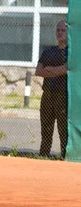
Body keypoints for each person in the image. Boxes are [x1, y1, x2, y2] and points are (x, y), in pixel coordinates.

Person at [35, 20, 68, 158]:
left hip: (63, 95)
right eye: (58, 30)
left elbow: (66, 69)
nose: (59, 33)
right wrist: (55, 71)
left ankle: (65, 156)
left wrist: (49, 69)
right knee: (46, 129)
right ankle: (43, 156)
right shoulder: (49, 50)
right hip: (47, 94)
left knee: (63, 129)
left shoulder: (71, 51)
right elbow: (38, 71)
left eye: (63, 30)